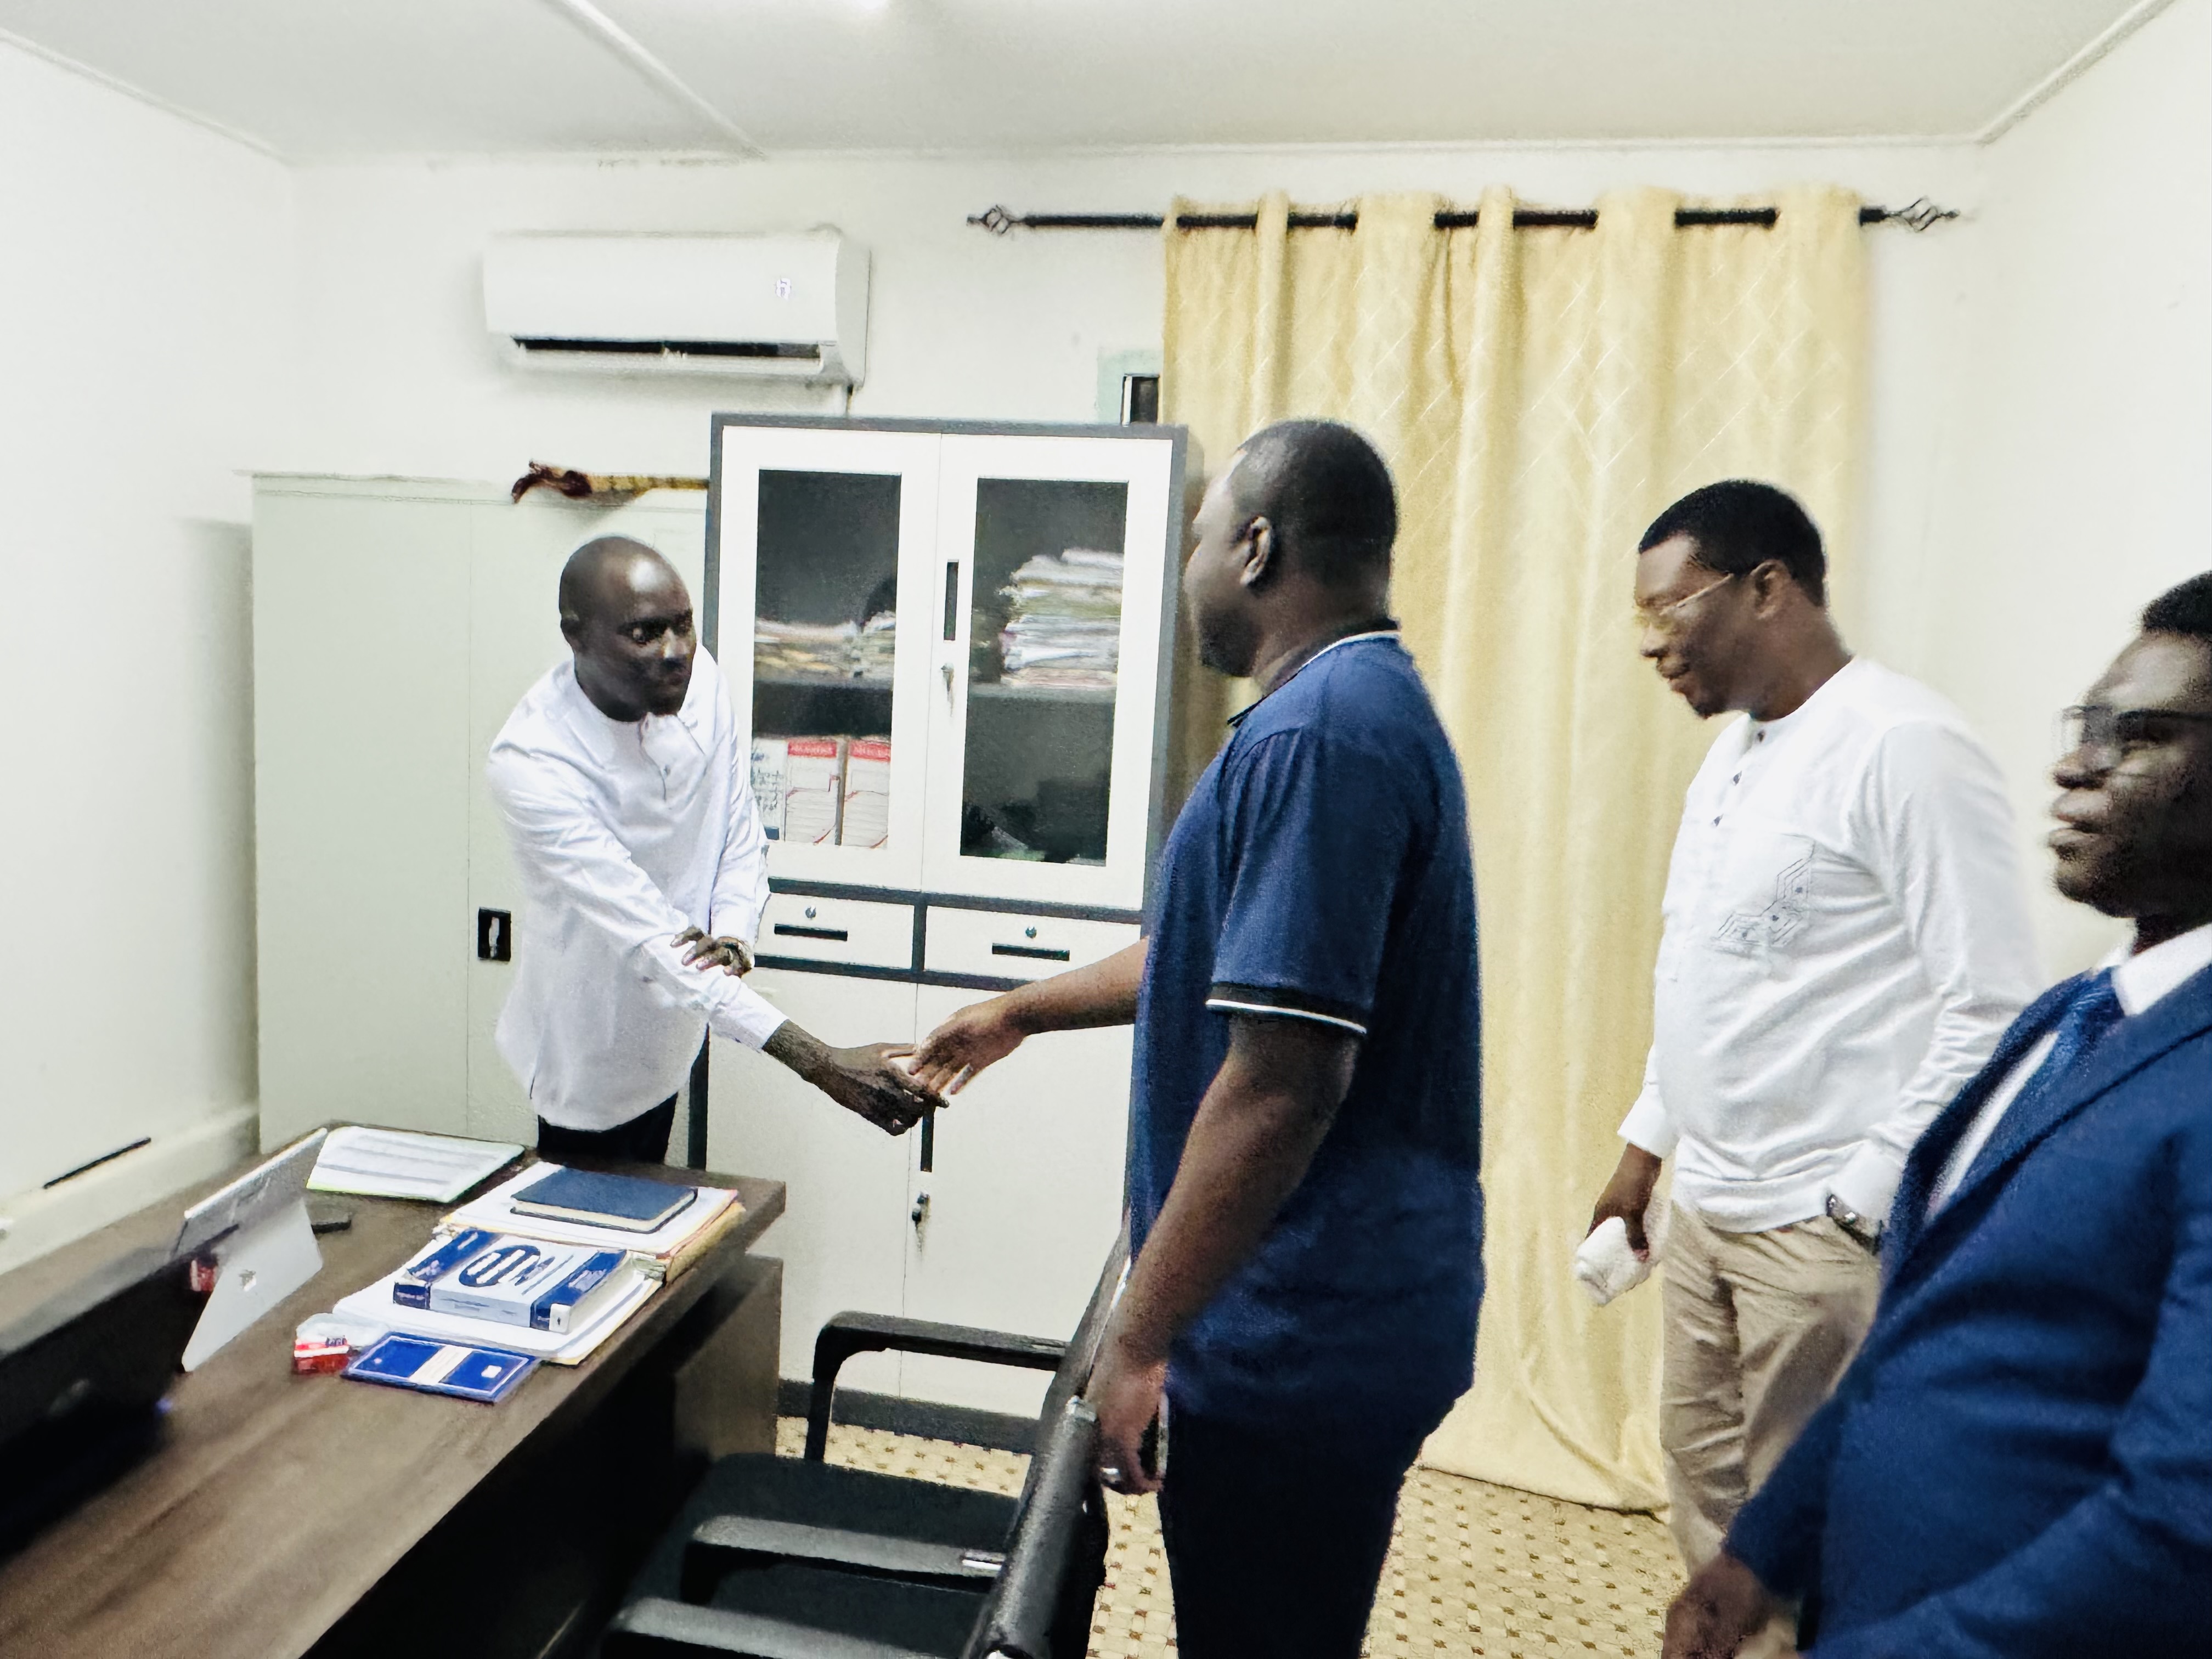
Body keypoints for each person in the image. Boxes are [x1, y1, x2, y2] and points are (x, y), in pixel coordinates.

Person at [905, 421, 1483, 1659]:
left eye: (1203, 540)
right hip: (1327, 1310)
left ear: (1259, 547)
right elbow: (1215, 961)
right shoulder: (1347, 710)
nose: (1189, 575)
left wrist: (1141, 1336)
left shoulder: (1318, 737)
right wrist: (1020, 1011)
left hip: (1300, 1327)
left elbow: (1281, 1085)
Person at [1665, 571, 2212, 1658]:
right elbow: (1921, 1338)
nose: (2073, 763)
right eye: (2087, 724)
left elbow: (2181, 1527)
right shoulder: (2069, 1019)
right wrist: (1764, 1547)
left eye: (2139, 737)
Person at [1586, 481, 2040, 1641]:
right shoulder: (1734, 756)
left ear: (1768, 589)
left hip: (1820, 1226)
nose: (1654, 648)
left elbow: (1989, 1003)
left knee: (1813, 1529)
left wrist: (1862, 1200)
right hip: (1708, 1210)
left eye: (1669, 613)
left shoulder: (1905, 747)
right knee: (1707, 1502)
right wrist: (1645, 1153)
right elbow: (1704, 970)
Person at [486, 535, 935, 1162]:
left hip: (681, 1021)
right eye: (645, 634)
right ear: (576, 635)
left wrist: (733, 932)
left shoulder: (702, 683)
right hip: (588, 1050)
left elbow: (736, 826)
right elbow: (650, 936)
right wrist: (822, 1064)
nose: (676, 654)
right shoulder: (534, 762)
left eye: (684, 626)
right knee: (595, 1227)